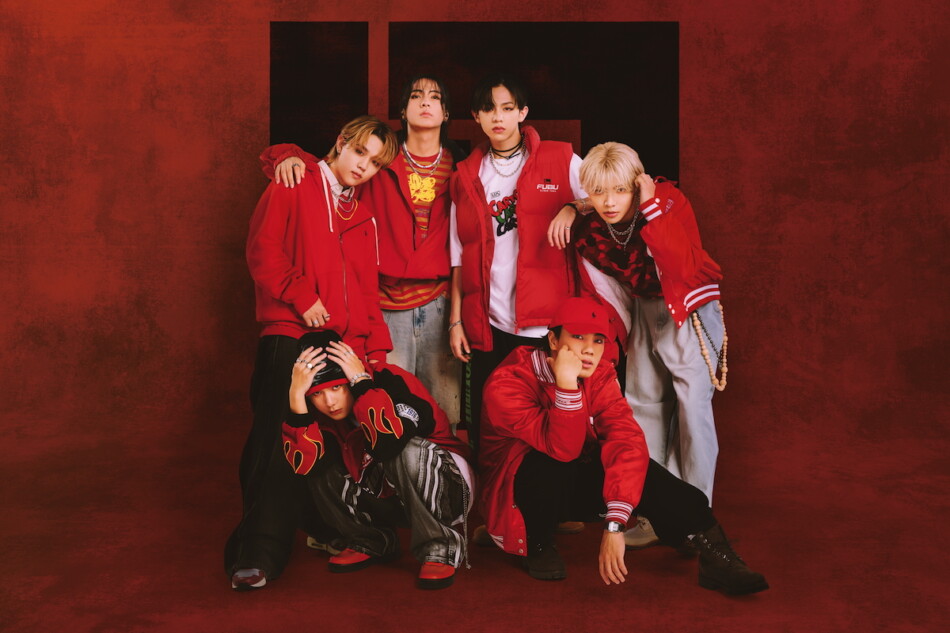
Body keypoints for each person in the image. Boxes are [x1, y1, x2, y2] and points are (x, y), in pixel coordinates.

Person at [477, 297, 767, 595]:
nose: (589, 349)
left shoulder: (600, 374)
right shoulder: (507, 383)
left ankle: (713, 549)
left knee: (635, 463)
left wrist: (616, 523)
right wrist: (566, 385)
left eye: (598, 340)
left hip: (567, 481)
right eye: (577, 337)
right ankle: (537, 543)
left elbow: (627, 441)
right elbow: (561, 448)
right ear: (553, 339)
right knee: (548, 459)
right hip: (519, 491)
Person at [227, 116, 399, 591]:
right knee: (276, 443)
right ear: (340, 143)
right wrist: (302, 296)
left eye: (375, 163)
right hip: (289, 333)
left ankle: (329, 530)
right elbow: (262, 250)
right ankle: (256, 554)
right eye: (360, 152)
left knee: (329, 447)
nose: (363, 167)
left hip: (340, 345)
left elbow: (366, 293)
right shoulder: (295, 180)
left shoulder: (362, 216)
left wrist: (375, 352)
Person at [549, 142, 726, 549]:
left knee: (693, 412)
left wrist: (651, 205)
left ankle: (696, 519)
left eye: (620, 190)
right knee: (642, 407)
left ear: (636, 184)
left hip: (688, 307)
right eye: (598, 192)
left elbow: (682, 266)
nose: (609, 202)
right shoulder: (591, 223)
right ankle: (655, 513)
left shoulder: (668, 201)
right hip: (644, 309)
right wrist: (573, 207)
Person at [264, 75, 466, 427]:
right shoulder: (378, 164)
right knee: (379, 416)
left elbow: (469, 244)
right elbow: (323, 173)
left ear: (447, 112)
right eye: (416, 96)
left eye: (435, 97)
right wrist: (285, 154)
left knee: (440, 417)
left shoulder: (462, 165)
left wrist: (457, 316)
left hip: (436, 302)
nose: (425, 102)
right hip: (378, 306)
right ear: (401, 109)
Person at [448, 73, 586, 459]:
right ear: (476, 116)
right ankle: (492, 496)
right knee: (489, 425)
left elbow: (605, 196)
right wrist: (456, 321)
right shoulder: (466, 175)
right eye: (489, 109)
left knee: (544, 420)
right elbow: (458, 254)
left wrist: (572, 206)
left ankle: (542, 497)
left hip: (543, 322)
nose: (498, 117)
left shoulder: (560, 158)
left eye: (507, 108)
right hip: (488, 322)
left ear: (522, 113)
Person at [281, 330, 473, 590]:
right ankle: (371, 540)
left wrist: (361, 383)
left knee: (403, 449)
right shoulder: (312, 410)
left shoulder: (389, 379)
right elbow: (306, 467)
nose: (329, 402)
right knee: (320, 460)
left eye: (337, 387)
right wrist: (296, 398)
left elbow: (388, 444)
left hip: (450, 487)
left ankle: (441, 548)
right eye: (316, 394)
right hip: (392, 493)